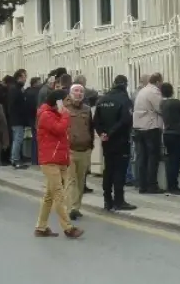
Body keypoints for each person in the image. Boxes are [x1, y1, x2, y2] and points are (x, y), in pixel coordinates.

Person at [34, 89, 84, 239]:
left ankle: (41, 227)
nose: (68, 103)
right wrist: (65, 115)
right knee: (59, 195)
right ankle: (68, 228)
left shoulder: (56, 114)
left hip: (59, 159)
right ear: (58, 102)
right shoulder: (46, 115)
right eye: (65, 100)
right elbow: (59, 129)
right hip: (50, 161)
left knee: (49, 196)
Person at [93, 75, 135, 211]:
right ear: (125, 84)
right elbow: (125, 121)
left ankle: (107, 200)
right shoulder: (125, 100)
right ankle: (119, 200)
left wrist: (102, 134)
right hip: (121, 140)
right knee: (120, 171)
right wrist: (111, 133)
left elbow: (95, 121)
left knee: (108, 170)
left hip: (106, 141)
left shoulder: (102, 99)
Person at [64, 84, 95, 221]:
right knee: (71, 180)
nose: (79, 93)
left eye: (81, 91)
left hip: (84, 149)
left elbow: (90, 127)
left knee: (81, 180)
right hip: (69, 149)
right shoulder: (63, 108)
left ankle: (77, 207)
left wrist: (91, 144)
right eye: (76, 91)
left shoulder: (87, 110)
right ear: (70, 93)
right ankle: (70, 208)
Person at [132, 72, 164, 194]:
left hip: (139, 127)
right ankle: (152, 185)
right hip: (150, 127)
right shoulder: (153, 92)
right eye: (161, 82)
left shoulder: (142, 91)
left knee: (142, 157)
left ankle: (142, 184)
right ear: (157, 82)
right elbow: (160, 108)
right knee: (152, 157)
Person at [159, 82, 180, 195]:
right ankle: (173, 185)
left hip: (167, 133)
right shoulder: (176, 102)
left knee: (169, 160)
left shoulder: (162, 103)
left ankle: (170, 184)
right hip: (177, 134)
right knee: (176, 161)